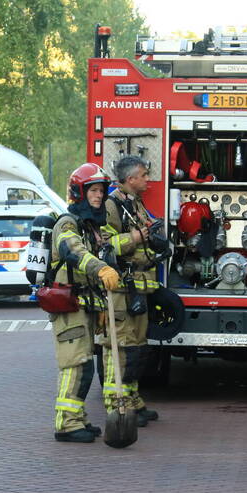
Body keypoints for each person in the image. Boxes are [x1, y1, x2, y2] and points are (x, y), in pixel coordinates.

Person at [47, 163, 122, 443]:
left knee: (86, 366)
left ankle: (78, 419)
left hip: (85, 305)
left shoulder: (91, 227)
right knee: (75, 364)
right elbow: (72, 251)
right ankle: (66, 424)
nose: (99, 196)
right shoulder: (68, 223)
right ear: (79, 192)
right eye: (93, 190)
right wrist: (101, 268)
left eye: (102, 191)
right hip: (68, 306)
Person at [101, 155, 161, 427]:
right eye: (144, 175)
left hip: (139, 287)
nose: (148, 179)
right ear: (129, 179)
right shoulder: (111, 205)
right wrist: (136, 237)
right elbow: (104, 246)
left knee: (137, 348)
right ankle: (119, 407)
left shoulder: (134, 203)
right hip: (122, 289)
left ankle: (133, 401)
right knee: (122, 347)